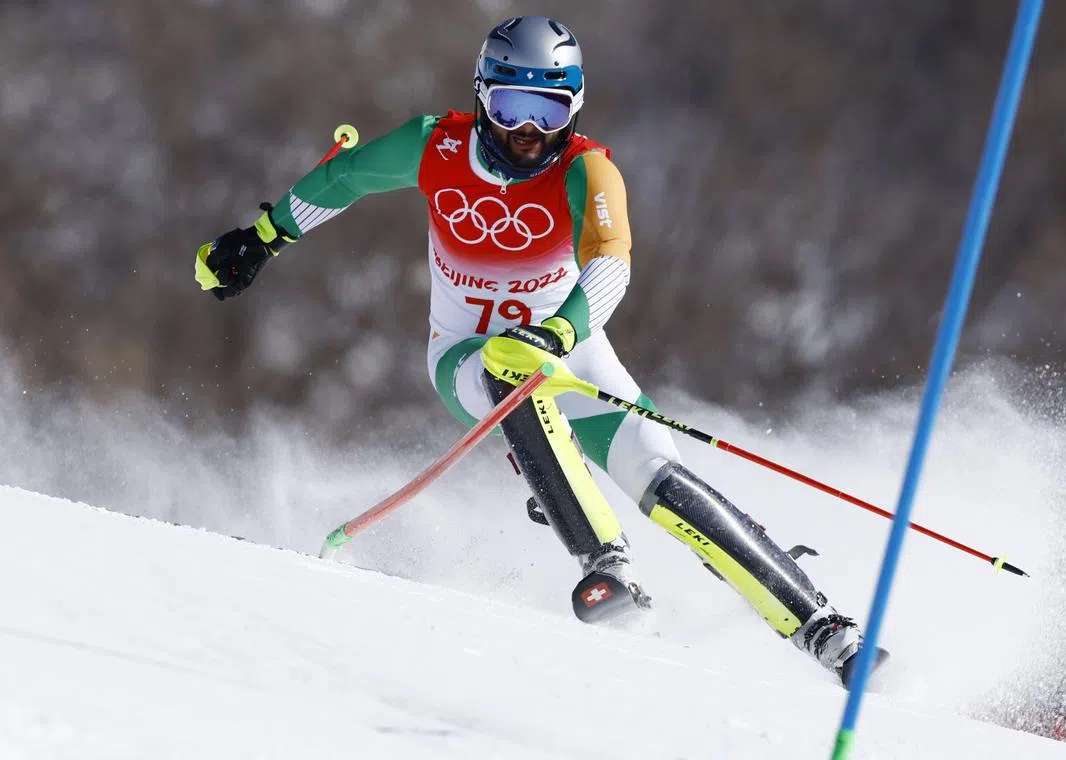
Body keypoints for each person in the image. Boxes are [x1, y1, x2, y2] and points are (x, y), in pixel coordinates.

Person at [194, 15, 883, 688]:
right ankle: (605, 562)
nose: (527, 130)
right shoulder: (435, 146)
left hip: (569, 353)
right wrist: (261, 238)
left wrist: (558, 333)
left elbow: (612, 260)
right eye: (511, 105)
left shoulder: (588, 171)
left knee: (662, 481)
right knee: (506, 365)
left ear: (573, 109)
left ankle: (825, 630)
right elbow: (343, 178)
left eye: (548, 111)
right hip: (464, 359)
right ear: (481, 95)